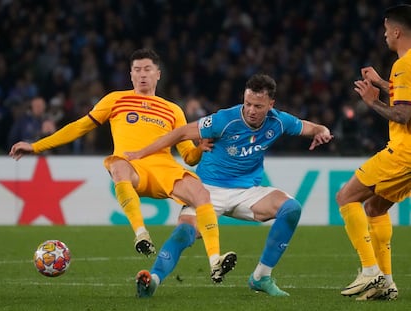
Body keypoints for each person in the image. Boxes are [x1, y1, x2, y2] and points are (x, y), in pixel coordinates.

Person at [9, 48, 236, 284]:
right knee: (118, 165)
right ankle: (141, 234)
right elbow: (78, 127)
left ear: (158, 74)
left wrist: (200, 148)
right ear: (130, 75)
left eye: (147, 69)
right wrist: (36, 146)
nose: (142, 75)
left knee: (201, 193)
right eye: (137, 70)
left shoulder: (173, 110)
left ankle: (215, 261)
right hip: (132, 166)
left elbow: (188, 156)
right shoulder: (116, 99)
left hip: (164, 170)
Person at [126, 73, 333, 297]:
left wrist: (322, 130)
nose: (251, 110)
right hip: (207, 192)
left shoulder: (279, 121)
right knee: (185, 232)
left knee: (292, 208)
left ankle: (261, 277)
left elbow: (307, 127)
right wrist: (140, 153)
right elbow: (181, 133)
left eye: (258, 106)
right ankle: (152, 281)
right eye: (248, 104)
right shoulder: (225, 120)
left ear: (271, 105)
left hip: (247, 193)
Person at [336, 4, 411, 301]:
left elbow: (404, 116)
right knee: (375, 209)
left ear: (396, 31)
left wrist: (372, 101)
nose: (383, 36)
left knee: (346, 197)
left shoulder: (404, 64)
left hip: (404, 151)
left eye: (385, 30)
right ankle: (387, 284)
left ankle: (370, 272)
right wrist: (382, 84)